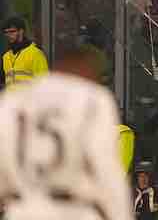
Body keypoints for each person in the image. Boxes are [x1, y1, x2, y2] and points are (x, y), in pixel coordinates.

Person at [0, 45, 133, 220]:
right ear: (87, 73)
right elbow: (106, 171)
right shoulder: (93, 99)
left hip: (23, 210)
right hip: (73, 209)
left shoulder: (12, 101)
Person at [2, 16, 48, 86]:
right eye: (6, 32)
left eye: (12, 31)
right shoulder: (6, 56)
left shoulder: (35, 53)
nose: (9, 35)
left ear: (21, 31)